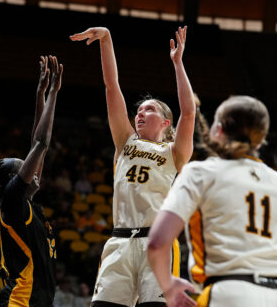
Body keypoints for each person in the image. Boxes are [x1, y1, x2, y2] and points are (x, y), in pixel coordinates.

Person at [147, 96, 277, 307]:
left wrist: (168, 286)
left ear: (218, 130)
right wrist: (270, 287)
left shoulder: (201, 172)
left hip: (229, 292)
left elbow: (157, 242)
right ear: (260, 139)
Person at [70, 26, 195, 307]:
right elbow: (112, 86)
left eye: (149, 109)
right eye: (138, 110)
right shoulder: (125, 141)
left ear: (165, 122)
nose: (140, 113)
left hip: (157, 243)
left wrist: (178, 63)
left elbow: (189, 112)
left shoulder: (174, 153)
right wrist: (106, 39)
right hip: (120, 242)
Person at [0, 56, 62, 307]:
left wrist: (40, 94)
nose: (33, 171)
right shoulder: (12, 203)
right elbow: (41, 143)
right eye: (25, 168)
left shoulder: (23, 205)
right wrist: (54, 93)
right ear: (14, 182)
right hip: (19, 302)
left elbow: (38, 146)